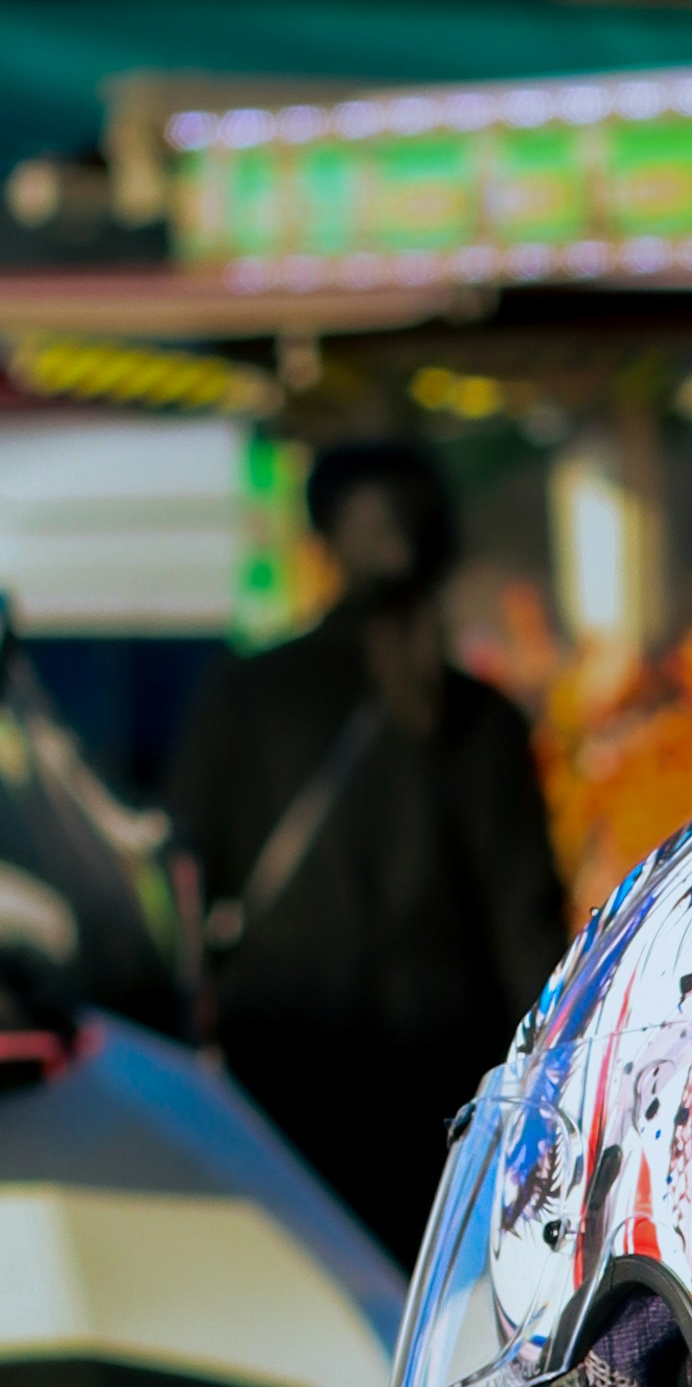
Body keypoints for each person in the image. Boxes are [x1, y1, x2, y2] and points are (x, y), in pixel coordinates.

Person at [170, 433, 563, 1260]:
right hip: (446, 1104)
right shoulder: (481, 723)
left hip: (279, 1086)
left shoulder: (245, 698)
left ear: (319, 547)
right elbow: (528, 929)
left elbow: (183, 880)